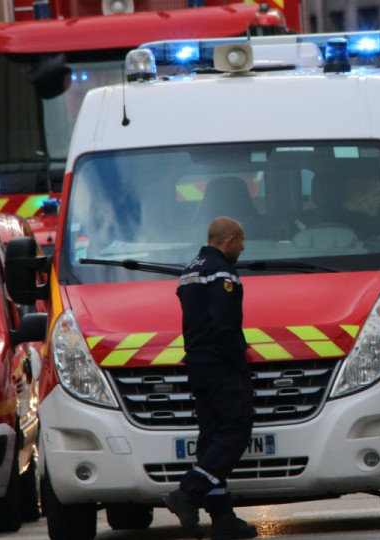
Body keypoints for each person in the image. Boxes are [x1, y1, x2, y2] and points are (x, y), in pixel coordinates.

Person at [163, 216, 257, 540]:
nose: (242, 248)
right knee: (238, 428)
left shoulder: (190, 269)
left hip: (197, 363)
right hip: (221, 365)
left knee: (212, 436)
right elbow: (223, 323)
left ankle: (223, 517)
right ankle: (189, 491)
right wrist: (240, 361)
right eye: (240, 242)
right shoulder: (222, 272)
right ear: (229, 241)